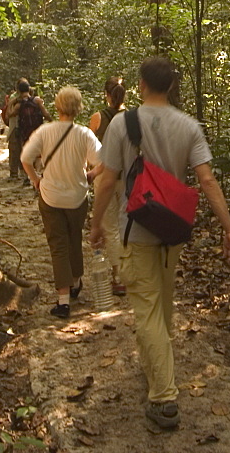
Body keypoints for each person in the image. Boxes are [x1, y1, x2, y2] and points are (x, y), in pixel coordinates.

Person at [90, 56, 230, 432]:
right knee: (163, 307)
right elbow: (207, 180)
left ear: (141, 84)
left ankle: (163, 399)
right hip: (172, 231)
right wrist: (229, 228)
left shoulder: (123, 123)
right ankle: (157, 370)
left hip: (135, 230)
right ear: (171, 86)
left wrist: (95, 225)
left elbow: (107, 181)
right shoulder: (189, 126)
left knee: (148, 312)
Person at [22, 85, 101, 319]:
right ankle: (76, 282)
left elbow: (26, 158)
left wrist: (35, 179)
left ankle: (64, 301)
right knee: (74, 238)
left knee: (58, 245)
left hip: (51, 197)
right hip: (77, 197)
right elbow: (103, 161)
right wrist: (91, 175)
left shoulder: (45, 132)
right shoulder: (85, 134)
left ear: (57, 107)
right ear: (78, 108)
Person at [88, 76, 127, 295]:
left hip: (104, 176)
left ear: (106, 94)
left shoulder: (98, 118)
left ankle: (118, 276)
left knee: (110, 227)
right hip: (127, 177)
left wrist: (89, 170)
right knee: (124, 225)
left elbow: (87, 146)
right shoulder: (132, 117)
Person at [7, 78, 50, 182]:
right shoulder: (37, 101)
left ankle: (28, 177)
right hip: (38, 132)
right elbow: (46, 114)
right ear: (29, 89)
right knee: (40, 155)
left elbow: (9, 115)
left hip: (25, 134)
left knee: (27, 154)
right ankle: (42, 175)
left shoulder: (19, 105)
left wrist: (10, 103)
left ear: (18, 91)